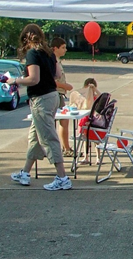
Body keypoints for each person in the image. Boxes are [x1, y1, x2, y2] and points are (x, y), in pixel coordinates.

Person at [8, 23, 72, 191]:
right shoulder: (49, 53)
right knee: (35, 137)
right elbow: (57, 74)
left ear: (27, 38)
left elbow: (33, 79)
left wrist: (15, 80)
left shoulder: (32, 53)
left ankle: (62, 177)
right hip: (52, 96)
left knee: (49, 138)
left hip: (41, 99)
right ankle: (25, 172)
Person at [70, 78, 103, 166]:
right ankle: (87, 156)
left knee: (94, 139)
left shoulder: (96, 97)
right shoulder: (84, 98)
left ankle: (97, 157)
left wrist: (94, 90)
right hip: (88, 121)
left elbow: (102, 97)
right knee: (86, 139)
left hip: (93, 121)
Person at [51, 37, 74, 157]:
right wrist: (65, 86)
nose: (65, 50)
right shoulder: (52, 61)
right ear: (55, 48)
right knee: (61, 121)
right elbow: (51, 81)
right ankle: (64, 148)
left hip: (60, 94)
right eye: (63, 47)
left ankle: (66, 147)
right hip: (55, 94)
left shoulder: (58, 60)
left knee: (64, 121)